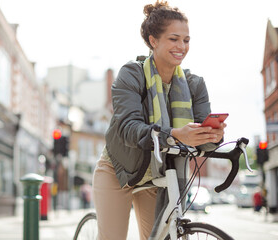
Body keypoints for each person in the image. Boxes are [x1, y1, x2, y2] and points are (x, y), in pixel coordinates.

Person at [92, 1, 226, 239]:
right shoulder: (131, 74)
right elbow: (128, 128)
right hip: (118, 171)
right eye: (174, 39)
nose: (182, 46)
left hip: (159, 172)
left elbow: (199, 136)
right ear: (153, 41)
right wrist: (174, 134)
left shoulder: (195, 84)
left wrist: (212, 136)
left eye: (186, 40)